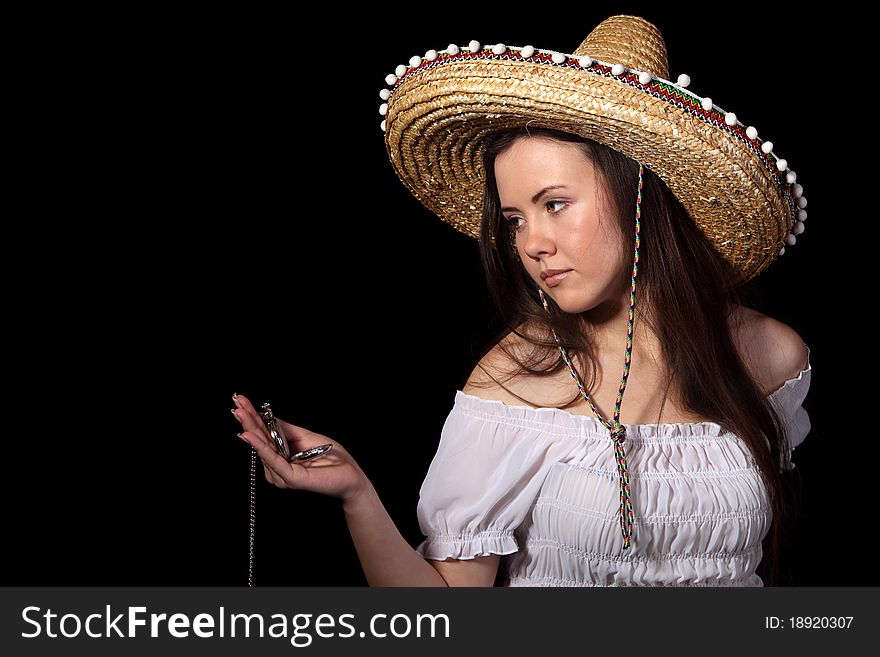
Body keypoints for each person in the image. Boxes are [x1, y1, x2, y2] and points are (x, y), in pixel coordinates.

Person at [232, 15, 811, 586]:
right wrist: (356, 492)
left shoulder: (772, 356)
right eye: (514, 219)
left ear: (642, 197)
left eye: (555, 204)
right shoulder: (514, 375)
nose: (531, 244)